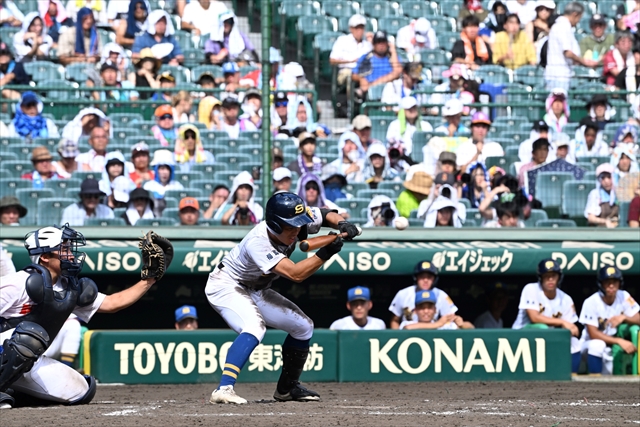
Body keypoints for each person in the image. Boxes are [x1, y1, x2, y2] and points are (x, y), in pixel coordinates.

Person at [206, 192, 359, 404]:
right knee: (254, 327)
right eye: (290, 226)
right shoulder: (258, 242)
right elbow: (296, 274)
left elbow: (325, 215)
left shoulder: (296, 222)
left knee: (303, 327)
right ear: (275, 224)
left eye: (299, 224)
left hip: (257, 288)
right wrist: (325, 253)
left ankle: (287, 389)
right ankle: (223, 388)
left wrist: (343, 223)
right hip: (227, 285)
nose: (297, 230)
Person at [0, 224, 169, 408]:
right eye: (63, 249)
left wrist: (149, 279)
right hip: (9, 348)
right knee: (28, 338)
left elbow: (113, 303)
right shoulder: (17, 283)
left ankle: (11, 392)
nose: (71, 254)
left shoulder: (69, 288)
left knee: (81, 391)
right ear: (45, 257)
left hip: (28, 361)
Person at [512, 259, 582, 373]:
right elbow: (534, 318)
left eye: (553, 275)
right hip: (521, 334)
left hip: (549, 337)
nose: (550, 279)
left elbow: (572, 328)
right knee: (542, 329)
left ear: (559, 277)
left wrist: (572, 329)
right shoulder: (531, 289)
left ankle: (572, 376)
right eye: (546, 276)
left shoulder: (566, 299)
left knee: (573, 341)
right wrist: (562, 322)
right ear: (541, 277)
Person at [579, 266, 640, 375]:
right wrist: (619, 341)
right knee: (597, 345)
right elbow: (593, 334)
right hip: (589, 347)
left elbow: (638, 319)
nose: (611, 285)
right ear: (601, 284)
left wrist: (625, 317)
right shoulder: (591, 302)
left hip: (612, 349)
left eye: (614, 282)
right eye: (607, 282)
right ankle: (593, 382)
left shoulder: (624, 296)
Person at [544, 1, 598, 91]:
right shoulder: (563, 27)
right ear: (574, 14)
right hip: (559, 76)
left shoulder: (561, 26)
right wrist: (584, 62)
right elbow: (568, 53)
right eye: (579, 18)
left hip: (559, 74)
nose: (578, 22)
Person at [388, 261, 457, 329]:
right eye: (422, 277)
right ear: (416, 278)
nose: (425, 280)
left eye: (429, 277)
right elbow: (395, 320)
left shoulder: (441, 295)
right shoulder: (403, 294)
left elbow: (451, 320)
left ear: (434, 279)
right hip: (409, 335)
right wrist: (399, 337)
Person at [352, 30, 402, 99]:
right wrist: (361, 78)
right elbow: (354, 74)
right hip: (369, 94)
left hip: (390, 90)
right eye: (378, 42)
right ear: (374, 44)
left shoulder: (392, 57)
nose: (381, 45)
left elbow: (397, 72)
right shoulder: (366, 57)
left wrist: (393, 51)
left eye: (383, 42)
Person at [330, 14, 373, 94]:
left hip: (364, 71)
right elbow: (332, 60)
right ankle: (352, 101)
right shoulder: (342, 40)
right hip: (345, 71)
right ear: (351, 29)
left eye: (361, 28)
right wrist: (350, 61)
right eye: (357, 28)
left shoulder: (367, 44)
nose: (359, 31)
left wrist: (372, 42)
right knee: (356, 77)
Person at [400, 290, 474, 330]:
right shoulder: (407, 323)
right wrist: (438, 324)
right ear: (415, 310)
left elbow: (471, 327)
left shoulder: (443, 326)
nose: (426, 311)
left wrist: (461, 324)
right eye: (422, 308)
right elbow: (407, 328)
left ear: (435, 310)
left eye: (429, 307)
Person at [585, 163, 619, 228]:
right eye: (603, 178)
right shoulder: (595, 194)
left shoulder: (619, 193)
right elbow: (591, 218)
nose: (606, 181)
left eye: (609, 177)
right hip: (599, 230)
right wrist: (605, 222)